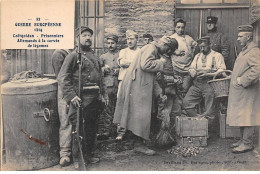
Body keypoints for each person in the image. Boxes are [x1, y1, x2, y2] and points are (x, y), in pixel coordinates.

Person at [113, 36, 178, 155]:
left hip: (140, 85)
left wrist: (159, 94)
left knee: (137, 115)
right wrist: (161, 63)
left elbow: (153, 76)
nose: (167, 53)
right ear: (165, 44)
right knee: (141, 115)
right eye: (168, 50)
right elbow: (145, 65)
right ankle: (139, 145)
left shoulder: (154, 51)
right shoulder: (151, 48)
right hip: (137, 86)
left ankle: (136, 142)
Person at [58, 26, 108, 168]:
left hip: (94, 100)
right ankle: (78, 159)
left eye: (89, 36)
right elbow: (63, 78)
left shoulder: (94, 56)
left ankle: (89, 155)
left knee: (91, 129)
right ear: (77, 39)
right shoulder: (73, 56)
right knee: (78, 130)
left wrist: (103, 95)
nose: (88, 38)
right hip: (79, 100)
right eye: (84, 35)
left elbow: (100, 77)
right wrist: (71, 96)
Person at [227, 25, 260, 153]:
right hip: (242, 92)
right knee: (242, 114)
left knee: (248, 114)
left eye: (240, 36)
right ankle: (243, 140)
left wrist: (242, 80)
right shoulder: (244, 50)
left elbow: (257, 70)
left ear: (248, 36)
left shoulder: (254, 51)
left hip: (248, 91)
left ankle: (247, 143)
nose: (238, 39)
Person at [183, 36, 226, 119]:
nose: (202, 49)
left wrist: (208, 74)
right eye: (200, 47)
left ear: (209, 45)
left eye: (204, 47)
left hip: (210, 84)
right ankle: (199, 120)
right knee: (186, 102)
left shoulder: (217, 56)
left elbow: (222, 71)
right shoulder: (197, 56)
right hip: (197, 84)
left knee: (210, 110)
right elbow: (191, 68)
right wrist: (193, 72)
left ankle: (209, 127)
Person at [51, 49, 72, 166]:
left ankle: (77, 152)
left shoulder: (74, 51)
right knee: (66, 121)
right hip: (65, 91)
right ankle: (65, 154)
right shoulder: (59, 53)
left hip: (75, 90)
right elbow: (61, 78)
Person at [99, 34, 120, 137]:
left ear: (116, 44)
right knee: (108, 108)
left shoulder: (121, 55)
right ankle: (107, 130)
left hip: (119, 85)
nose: (110, 45)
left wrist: (119, 70)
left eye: (112, 43)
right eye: (109, 43)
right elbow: (98, 72)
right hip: (108, 85)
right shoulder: (103, 57)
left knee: (118, 107)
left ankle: (117, 131)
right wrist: (103, 69)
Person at [170, 18, 197, 94]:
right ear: (175, 28)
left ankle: (184, 105)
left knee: (185, 89)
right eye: (178, 27)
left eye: (182, 27)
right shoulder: (172, 38)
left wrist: (194, 45)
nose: (180, 29)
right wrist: (174, 51)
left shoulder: (188, 38)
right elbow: (166, 51)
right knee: (177, 90)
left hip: (187, 70)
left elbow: (194, 45)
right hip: (176, 69)